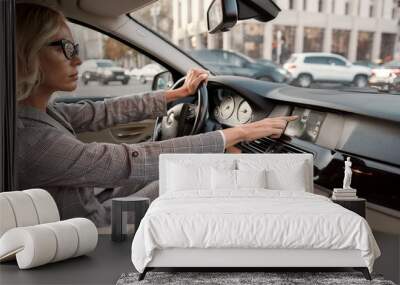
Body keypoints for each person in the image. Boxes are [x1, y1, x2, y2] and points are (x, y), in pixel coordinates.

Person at [16, 3, 298, 226]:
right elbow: (126, 162)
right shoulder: (30, 138)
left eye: (74, 48)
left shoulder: (37, 111)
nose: (77, 59)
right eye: (64, 48)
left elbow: (100, 112)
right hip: (93, 228)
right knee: (192, 181)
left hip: (89, 202)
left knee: (172, 177)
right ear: (25, 53)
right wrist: (236, 134)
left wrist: (172, 95)